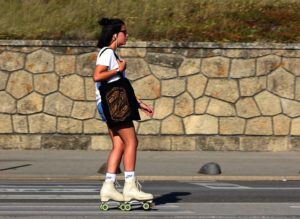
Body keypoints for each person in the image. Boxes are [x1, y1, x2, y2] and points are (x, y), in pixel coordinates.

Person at [93, 18, 154, 204]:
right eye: (124, 32)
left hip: (109, 104)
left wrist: (138, 103)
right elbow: (98, 75)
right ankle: (130, 187)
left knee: (119, 145)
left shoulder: (112, 54)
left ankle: (108, 187)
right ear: (114, 35)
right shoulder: (108, 54)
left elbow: (120, 84)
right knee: (132, 142)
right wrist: (118, 69)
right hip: (114, 104)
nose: (126, 35)